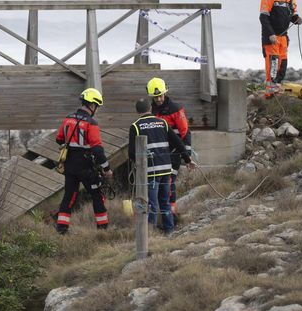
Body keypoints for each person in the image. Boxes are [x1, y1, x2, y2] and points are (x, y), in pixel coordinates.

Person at [128, 99, 196, 234]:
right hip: (166, 170)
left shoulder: (135, 126)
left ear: (137, 112)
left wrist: (138, 165)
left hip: (151, 172)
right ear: (150, 109)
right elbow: (178, 143)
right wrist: (188, 160)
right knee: (165, 202)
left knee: (152, 204)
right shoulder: (162, 122)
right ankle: (169, 231)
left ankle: (150, 234)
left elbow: (131, 153)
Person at [54, 87, 112, 235]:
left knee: (69, 195)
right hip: (86, 165)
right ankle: (103, 229)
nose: (97, 110)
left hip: (70, 164)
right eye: (97, 107)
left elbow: (59, 139)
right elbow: (98, 150)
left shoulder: (68, 118)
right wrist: (107, 168)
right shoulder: (91, 123)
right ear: (92, 105)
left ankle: (61, 229)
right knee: (97, 195)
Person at [148, 77, 190, 222]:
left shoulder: (175, 109)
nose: (158, 99)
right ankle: (162, 217)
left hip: (173, 154)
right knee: (157, 186)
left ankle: (171, 216)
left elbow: (185, 132)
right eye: (155, 97)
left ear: (165, 93)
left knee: (169, 183)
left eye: (160, 95)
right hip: (158, 154)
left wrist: (186, 155)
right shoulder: (152, 110)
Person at [260, 0, 302, 97]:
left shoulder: (291, 1)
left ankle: (277, 84)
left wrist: (297, 19)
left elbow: (291, 15)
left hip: (283, 37)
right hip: (271, 37)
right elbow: (263, 17)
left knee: (283, 61)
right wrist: (271, 34)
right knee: (273, 62)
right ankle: (270, 88)